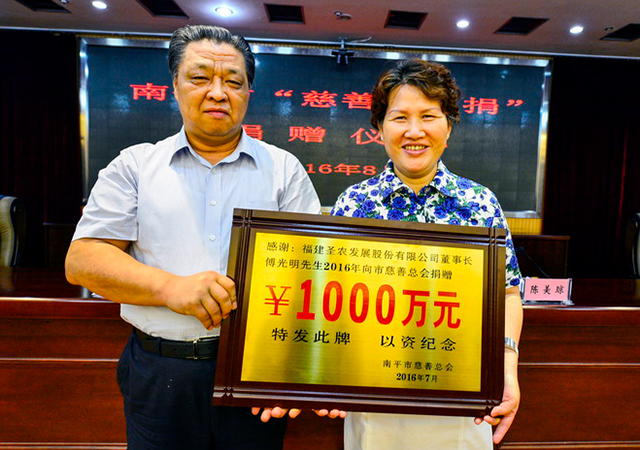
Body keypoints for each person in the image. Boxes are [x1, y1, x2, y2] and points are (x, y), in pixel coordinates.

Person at [65, 25, 342, 450]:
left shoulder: (284, 170)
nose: (217, 92)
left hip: (254, 371)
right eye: (200, 78)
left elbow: (312, 272)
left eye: (233, 82)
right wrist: (169, 287)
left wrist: (295, 370)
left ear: (248, 92)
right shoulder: (135, 166)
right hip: (159, 368)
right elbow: (83, 260)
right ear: (175, 86)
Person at [331, 59, 523, 449]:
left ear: (448, 126)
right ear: (379, 128)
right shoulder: (353, 204)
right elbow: (329, 298)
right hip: (373, 400)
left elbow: (507, 293)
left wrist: (507, 367)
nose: (414, 131)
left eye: (429, 116)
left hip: (462, 399)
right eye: (399, 117)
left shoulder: (479, 203)